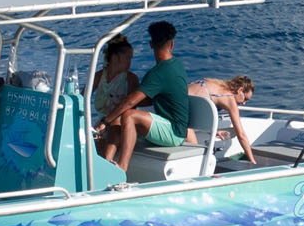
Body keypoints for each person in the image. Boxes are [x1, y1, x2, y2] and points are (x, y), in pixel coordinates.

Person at [98, 20, 190, 172]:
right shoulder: (177, 65)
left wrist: (105, 121)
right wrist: (113, 118)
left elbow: (130, 102)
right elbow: (152, 99)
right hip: (172, 127)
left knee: (129, 115)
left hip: (175, 133)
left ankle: (122, 167)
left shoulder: (158, 73)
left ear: (151, 44)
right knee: (119, 119)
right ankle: (106, 166)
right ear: (172, 44)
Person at [187, 75, 259, 165]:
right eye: (246, 99)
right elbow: (241, 135)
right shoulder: (229, 98)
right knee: (197, 157)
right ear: (240, 90)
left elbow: (196, 113)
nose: (244, 103)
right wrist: (252, 160)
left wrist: (214, 131)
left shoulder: (215, 84)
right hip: (180, 116)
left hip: (173, 103)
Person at [90, 34, 136, 153]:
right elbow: (81, 98)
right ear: (115, 58)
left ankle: (105, 165)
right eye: (128, 58)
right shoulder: (99, 77)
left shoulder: (131, 79)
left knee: (112, 130)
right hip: (101, 124)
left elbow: (132, 108)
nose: (130, 62)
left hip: (121, 124)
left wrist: (105, 124)